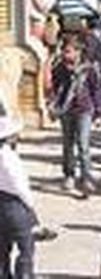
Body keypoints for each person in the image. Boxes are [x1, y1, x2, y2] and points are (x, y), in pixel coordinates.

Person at [48, 34, 101, 198]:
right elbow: (56, 90)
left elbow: (96, 90)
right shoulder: (59, 69)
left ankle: (87, 176)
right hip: (66, 110)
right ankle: (69, 174)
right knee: (67, 144)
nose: (66, 55)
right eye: (64, 51)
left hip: (84, 109)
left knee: (83, 144)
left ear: (79, 52)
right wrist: (54, 106)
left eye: (70, 51)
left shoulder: (89, 69)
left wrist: (98, 112)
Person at [0, 116, 36, 279]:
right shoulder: (7, 157)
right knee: (26, 248)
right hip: (14, 204)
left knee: (3, 247)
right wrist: (30, 204)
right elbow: (19, 185)